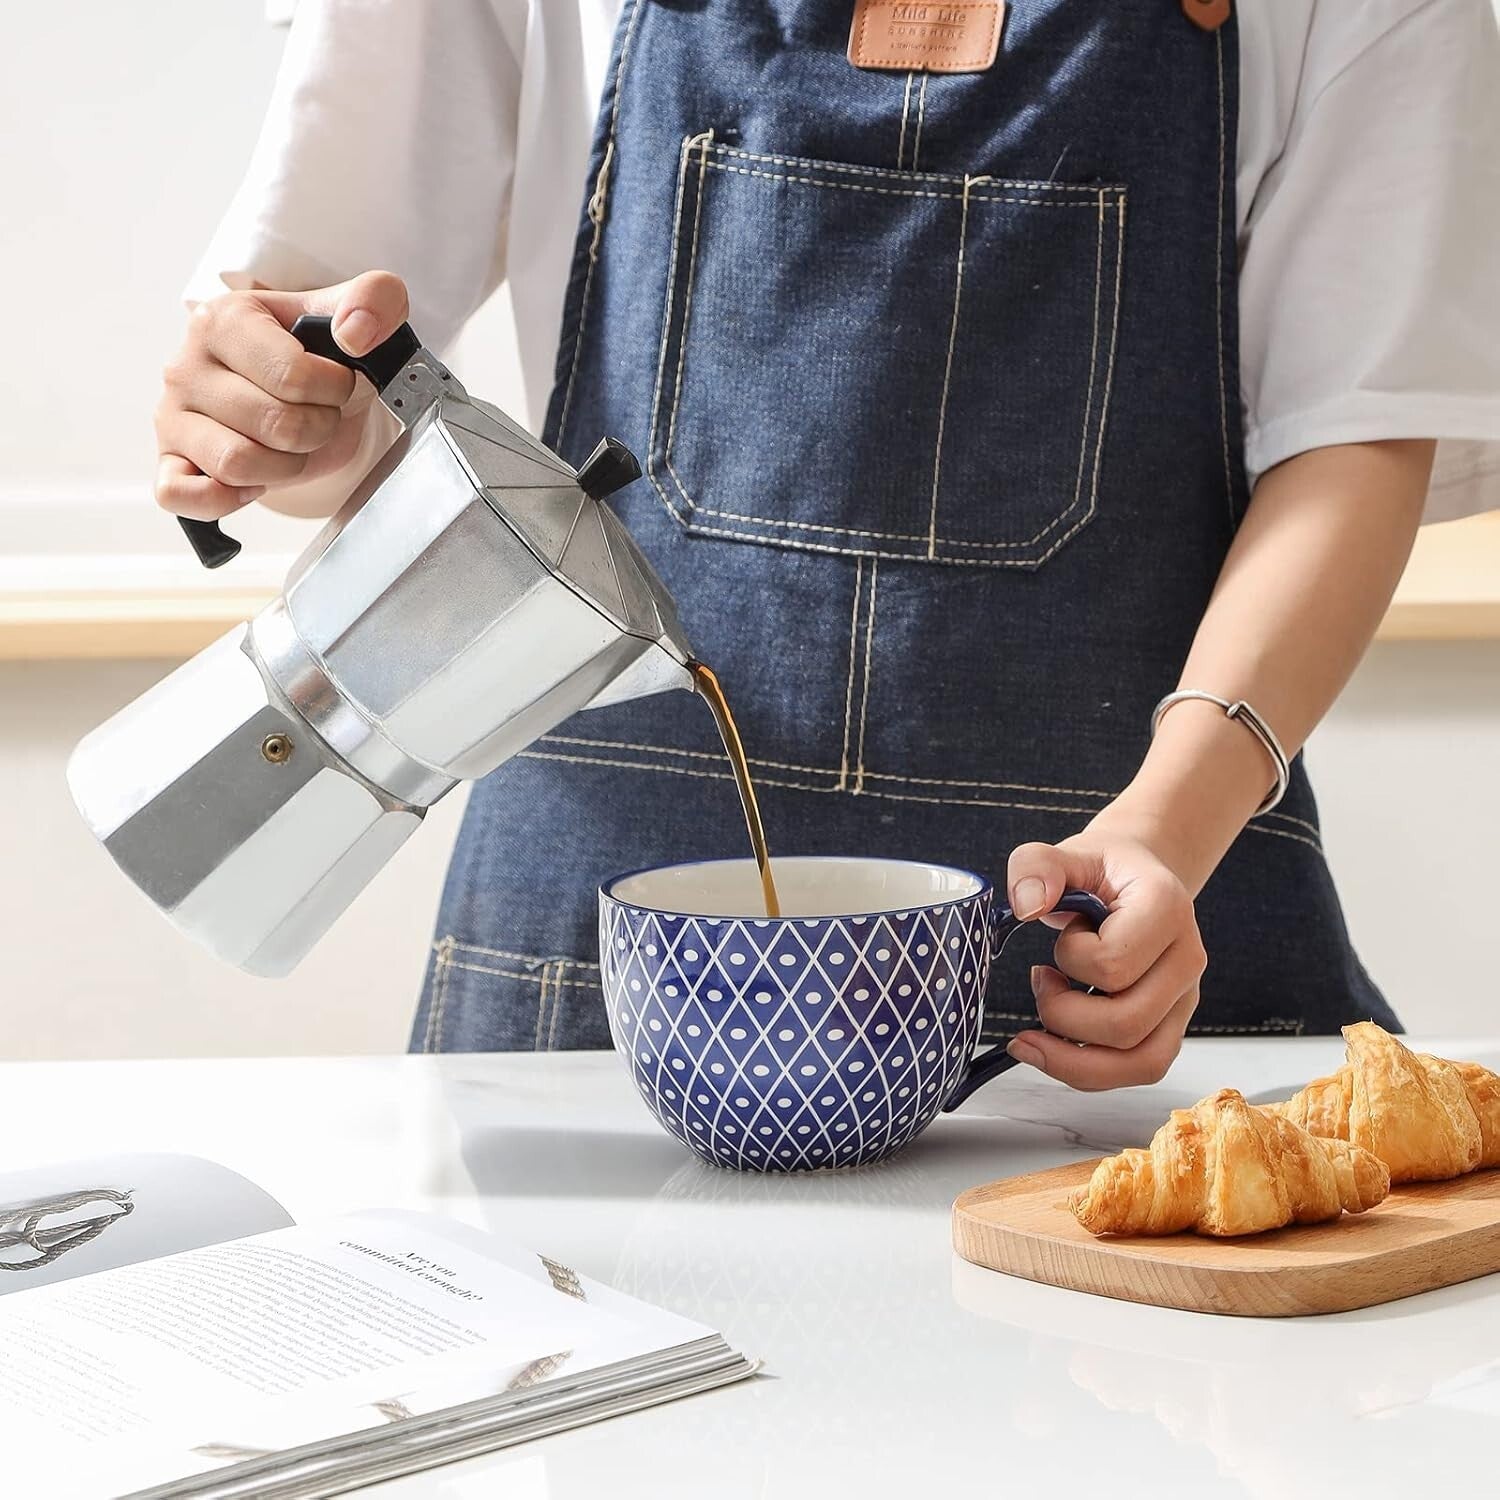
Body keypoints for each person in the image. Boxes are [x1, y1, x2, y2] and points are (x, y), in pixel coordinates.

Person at [154, 0, 1500, 1088]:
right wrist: (273, 416)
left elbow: (1357, 436)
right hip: (593, 990)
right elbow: (329, 368)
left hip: (1124, 963)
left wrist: (1171, 824)